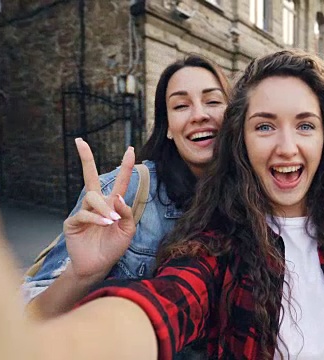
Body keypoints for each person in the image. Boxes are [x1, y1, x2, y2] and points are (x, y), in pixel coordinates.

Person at [0, 50, 324, 360]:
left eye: (305, 125)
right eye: (264, 126)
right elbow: (160, 309)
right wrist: (36, 343)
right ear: (240, 142)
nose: (286, 147)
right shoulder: (215, 243)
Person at [22, 54, 231, 319]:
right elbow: (28, 317)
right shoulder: (125, 192)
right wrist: (81, 275)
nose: (199, 115)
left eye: (213, 101)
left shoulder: (255, 197)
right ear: (167, 128)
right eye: (181, 106)